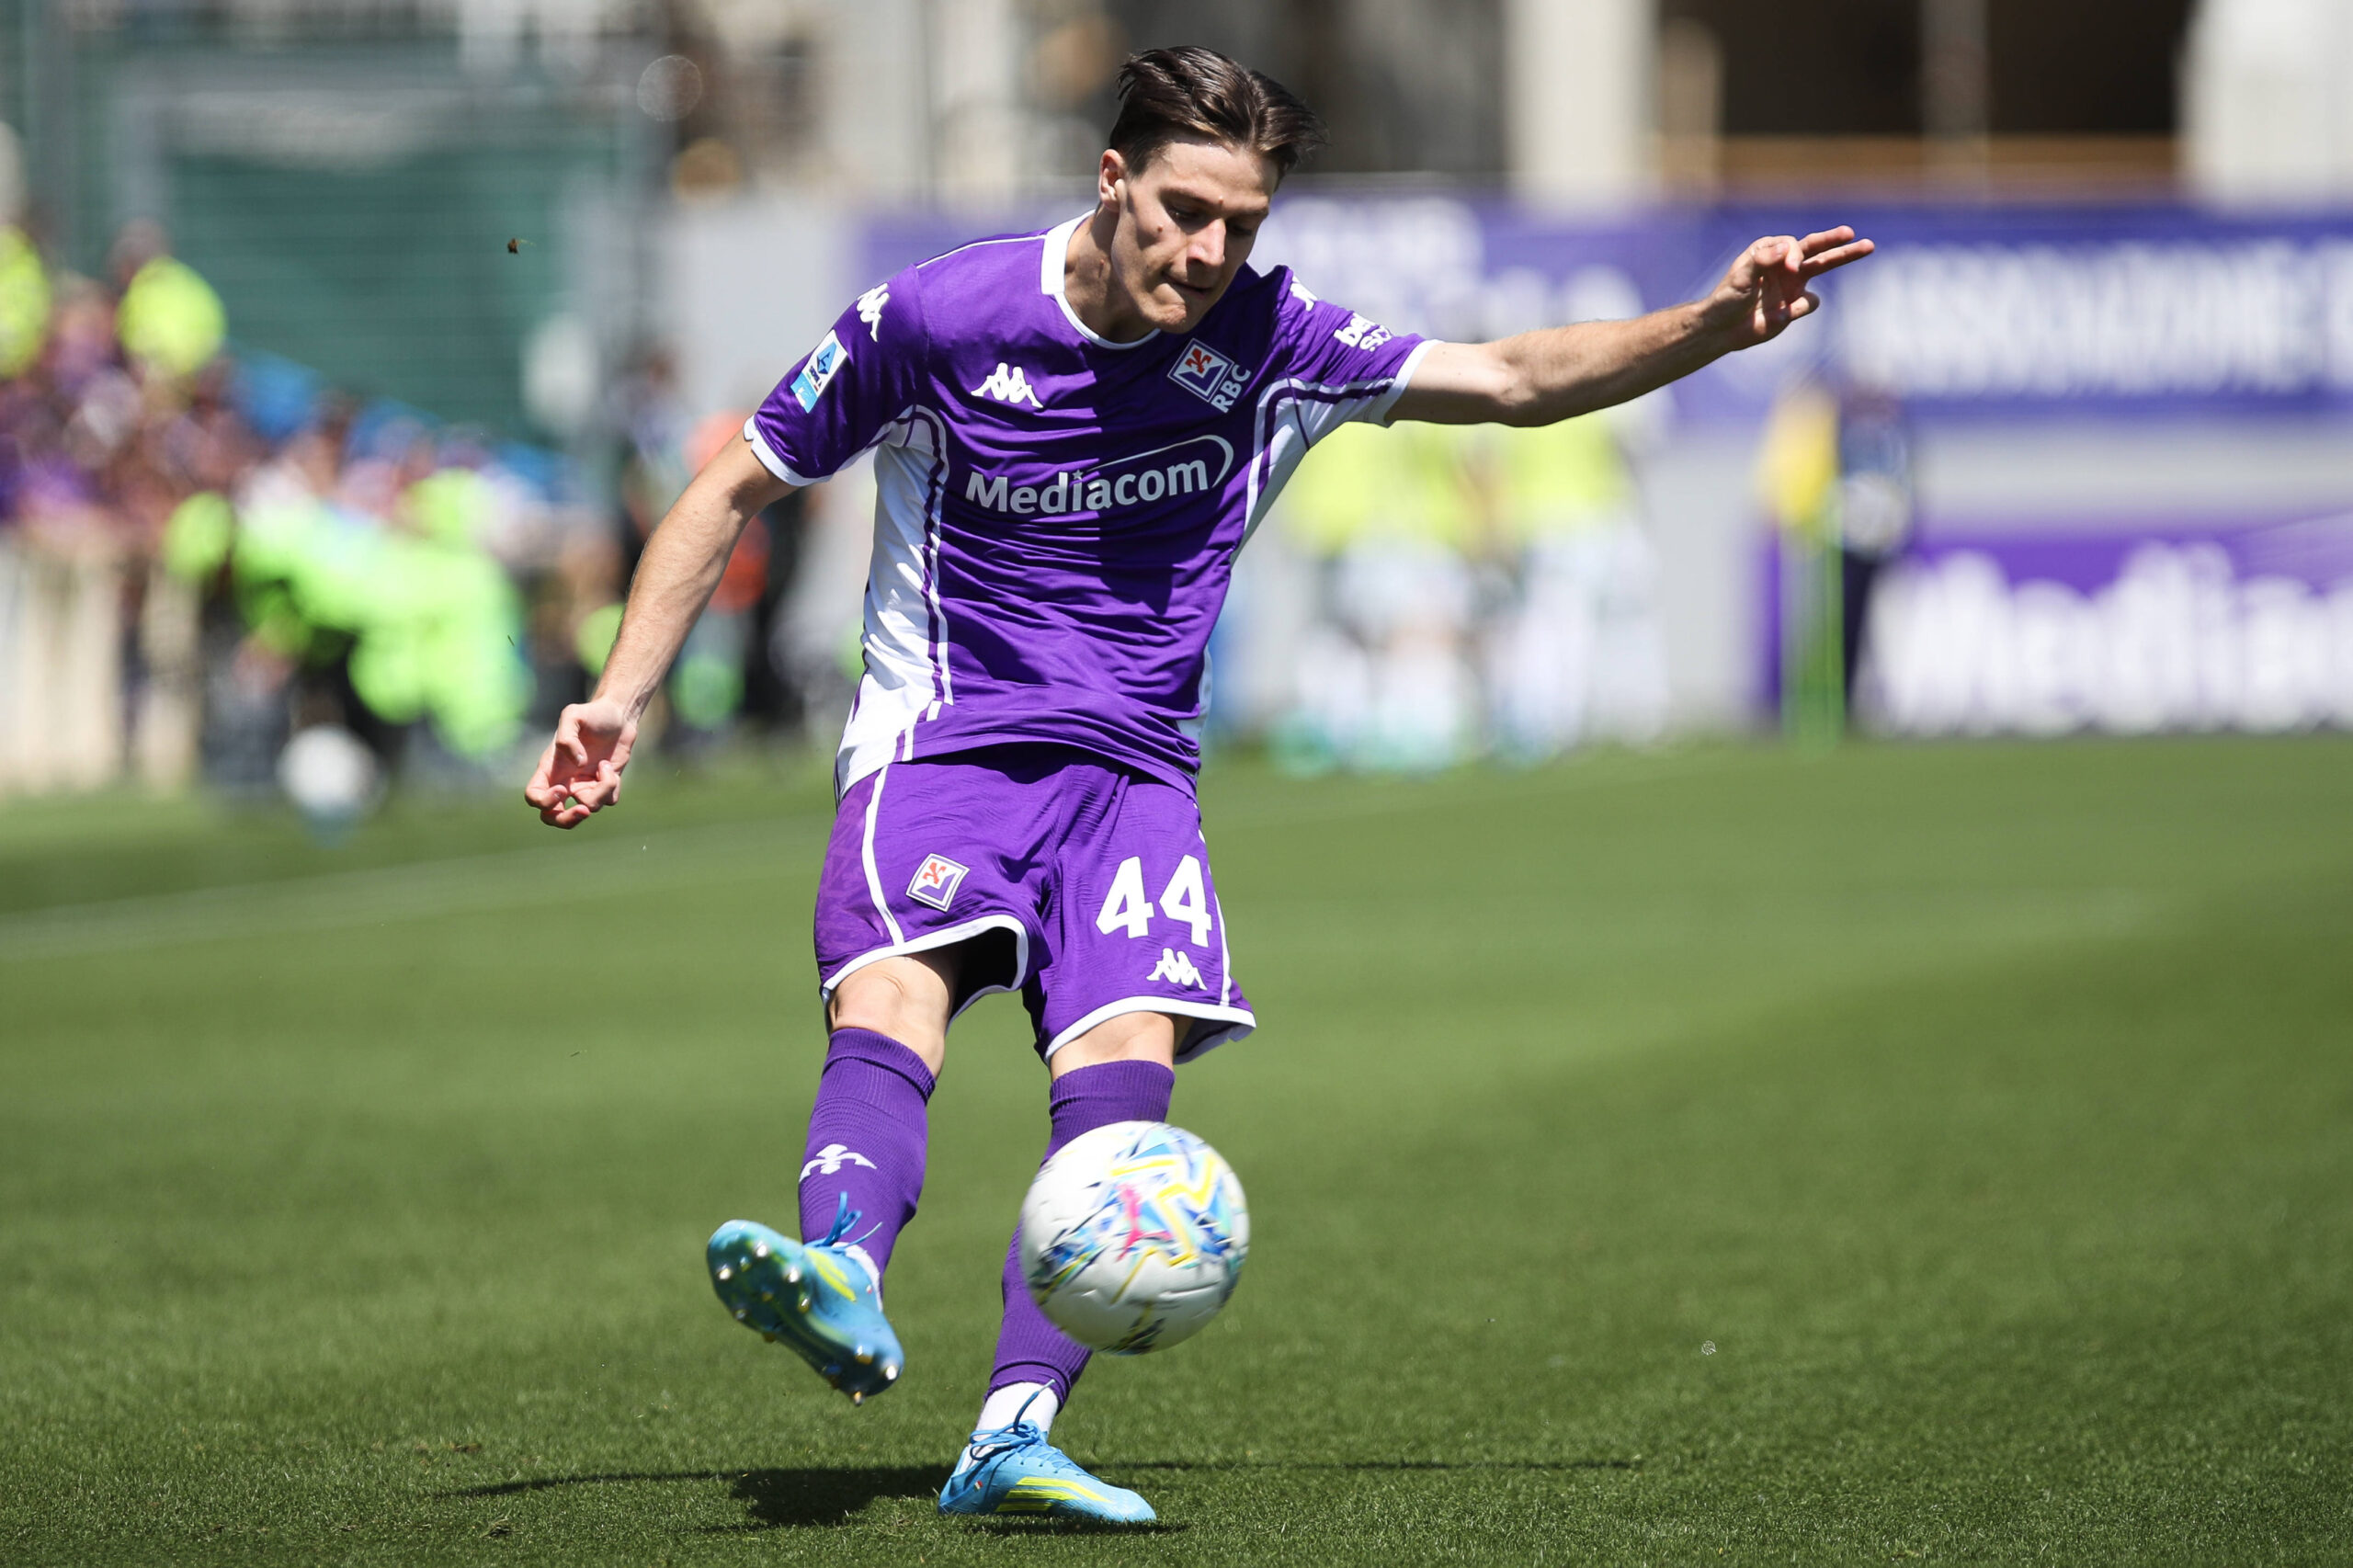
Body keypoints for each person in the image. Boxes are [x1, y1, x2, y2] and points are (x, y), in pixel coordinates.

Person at [524, 46, 1871, 1525]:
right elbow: (732, 483)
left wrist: (1713, 325)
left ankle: (1011, 1432)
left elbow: (1509, 378)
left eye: (1242, 221)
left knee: (1121, 1102)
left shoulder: (1273, 334)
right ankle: (840, 1266)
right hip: (946, 746)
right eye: (1183, 209)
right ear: (1113, 180)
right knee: (896, 999)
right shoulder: (935, 319)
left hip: (1138, 784)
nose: (1211, 249)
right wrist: (618, 694)